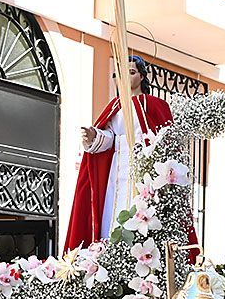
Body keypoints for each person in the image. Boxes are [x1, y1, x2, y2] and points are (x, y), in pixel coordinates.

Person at [65, 57, 176, 250]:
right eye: (120, 74)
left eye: (131, 72)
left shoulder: (155, 105)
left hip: (143, 169)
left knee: (141, 213)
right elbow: (109, 137)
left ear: (141, 76)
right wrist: (94, 135)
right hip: (116, 171)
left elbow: (165, 140)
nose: (125, 78)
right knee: (112, 213)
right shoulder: (115, 107)